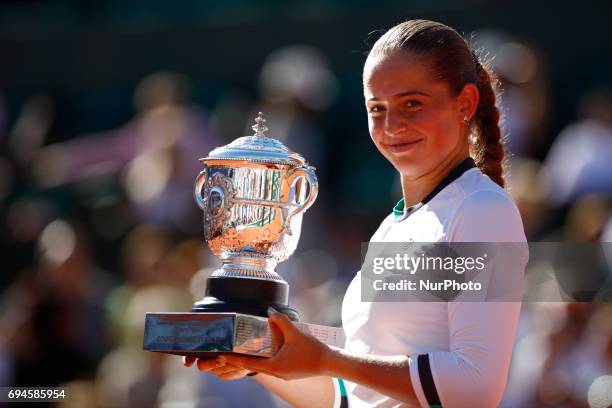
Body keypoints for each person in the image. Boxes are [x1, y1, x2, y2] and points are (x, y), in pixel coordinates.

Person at [184, 19, 528, 408]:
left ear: (464, 103)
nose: (392, 125)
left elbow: (475, 388)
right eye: (377, 108)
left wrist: (327, 358)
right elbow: (349, 399)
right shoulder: (393, 226)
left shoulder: (483, 209)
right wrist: (256, 360)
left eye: (412, 103)